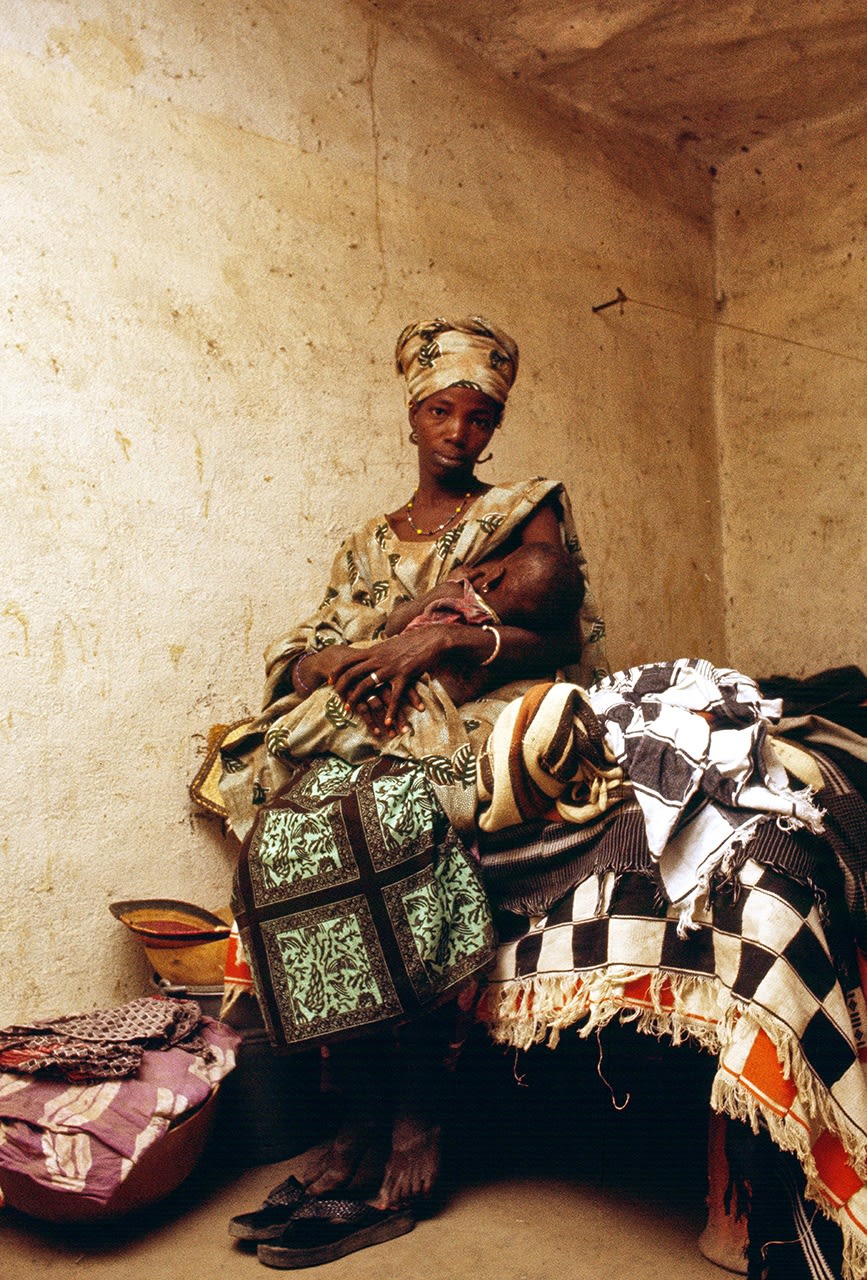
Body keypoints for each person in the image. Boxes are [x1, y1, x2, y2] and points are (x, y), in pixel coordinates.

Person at [205, 315, 607, 1245]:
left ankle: (418, 1110)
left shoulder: (519, 509)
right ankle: (356, 1111)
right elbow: (303, 648)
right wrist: (337, 662)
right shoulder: (365, 545)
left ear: (491, 428)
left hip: (462, 713)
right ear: (412, 416)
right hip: (355, 718)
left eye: (476, 417)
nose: (457, 432)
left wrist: (447, 636)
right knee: (289, 835)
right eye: (440, 411)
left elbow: (558, 633)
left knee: (388, 816)